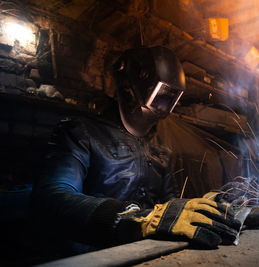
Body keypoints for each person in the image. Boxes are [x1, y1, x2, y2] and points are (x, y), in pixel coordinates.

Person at [32, 46, 240, 252]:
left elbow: (169, 205)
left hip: (143, 251)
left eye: (170, 100)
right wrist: (130, 219)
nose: (162, 109)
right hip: (93, 255)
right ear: (129, 90)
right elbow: (51, 198)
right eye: (159, 96)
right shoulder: (81, 133)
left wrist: (201, 206)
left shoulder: (161, 150)